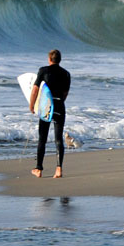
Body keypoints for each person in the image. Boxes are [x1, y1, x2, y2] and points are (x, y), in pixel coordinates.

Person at [29, 49, 71, 179]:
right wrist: (58, 104)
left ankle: (39, 169)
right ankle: (58, 169)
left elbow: (35, 90)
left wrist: (32, 105)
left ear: (49, 59)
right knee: (59, 139)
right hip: (59, 106)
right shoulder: (66, 74)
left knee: (43, 138)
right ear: (59, 59)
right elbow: (65, 93)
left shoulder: (43, 70)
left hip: (46, 106)